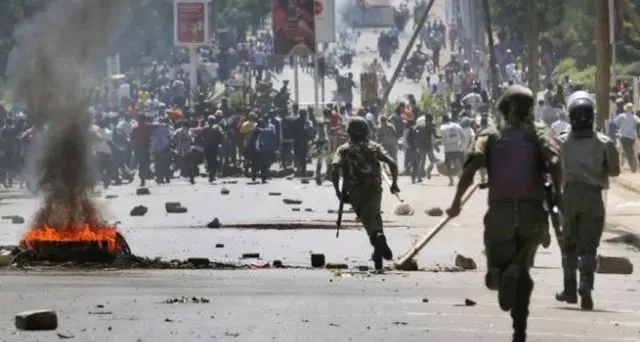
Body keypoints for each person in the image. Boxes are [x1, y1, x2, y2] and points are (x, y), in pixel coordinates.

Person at [445, 85, 562, 342]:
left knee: (495, 271)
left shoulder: (489, 136)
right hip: (533, 213)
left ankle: (500, 274)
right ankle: (519, 330)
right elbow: (555, 162)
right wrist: (559, 198)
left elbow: (469, 171)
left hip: (501, 212)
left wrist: (456, 203)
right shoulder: (540, 134)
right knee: (524, 272)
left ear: (503, 108)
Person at [555, 91, 620, 310]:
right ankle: (586, 284)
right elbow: (615, 170)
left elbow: (552, 167)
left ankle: (570, 288)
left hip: (569, 195)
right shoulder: (604, 142)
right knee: (589, 246)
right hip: (593, 196)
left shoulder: (562, 141)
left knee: (568, 245)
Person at [331, 117, 399, 271]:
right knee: (374, 216)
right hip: (375, 188)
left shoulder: (343, 149)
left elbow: (334, 169)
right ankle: (378, 253)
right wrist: (394, 183)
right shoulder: (375, 147)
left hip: (356, 190)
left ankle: (378, 238)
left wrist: (337, 191)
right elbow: (392, 163)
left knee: (368, 220)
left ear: (349, 132)